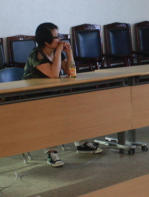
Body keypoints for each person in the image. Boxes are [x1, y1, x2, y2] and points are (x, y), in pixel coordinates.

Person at [23, 23, 103, 161]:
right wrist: (59, 52)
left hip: (52, 93)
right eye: (56, 37)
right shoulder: (37, 54)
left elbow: (71, 72)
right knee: (50, 118)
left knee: (75, 109)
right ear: (46, 41)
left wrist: (69, 52)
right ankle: (51, 152)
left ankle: (81, 144)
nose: (60, 39)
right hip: (34, 96)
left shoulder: (56, 52)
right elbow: (54, 75)